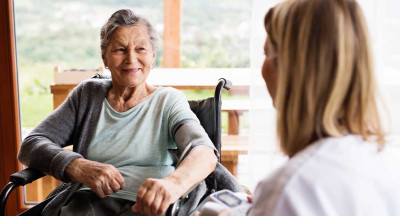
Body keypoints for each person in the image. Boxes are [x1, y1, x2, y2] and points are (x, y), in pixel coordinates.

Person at [199, 0, 400, 215]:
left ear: (290, 70)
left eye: (266, 53)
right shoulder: (387, 161)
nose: (262, 69)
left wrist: (272, 203)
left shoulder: (291, 188)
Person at [18, 9, 222, 216]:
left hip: (148, 207)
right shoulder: (87, 95)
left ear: (152, 57)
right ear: (105, 58)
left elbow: (203, 152)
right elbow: (32, 143)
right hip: (86, 204)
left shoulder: (168, 100)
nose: (131, 58)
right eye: (120, 50)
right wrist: (76, 166)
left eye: (141, 48)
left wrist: (173, 184)